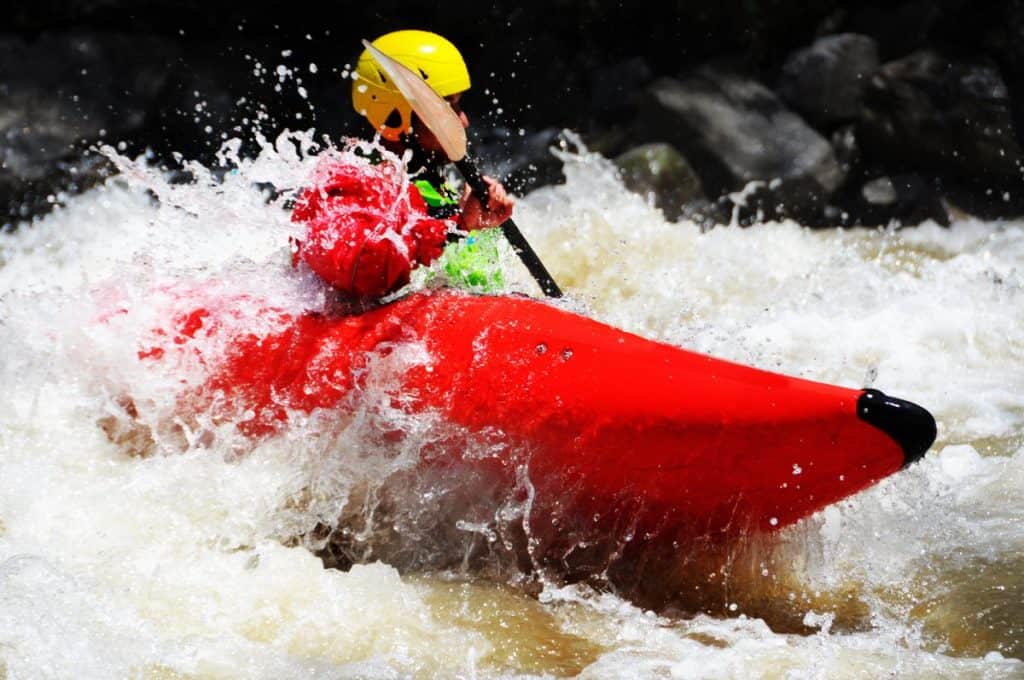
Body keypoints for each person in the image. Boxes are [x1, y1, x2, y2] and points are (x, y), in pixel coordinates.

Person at [291, 30, 513, 299]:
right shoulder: (354, 182)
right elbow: (364, 270)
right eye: (449, 107)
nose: (463, 121)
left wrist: (466, 224)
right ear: (396, 116)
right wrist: (451, 231)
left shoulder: (427, 182)